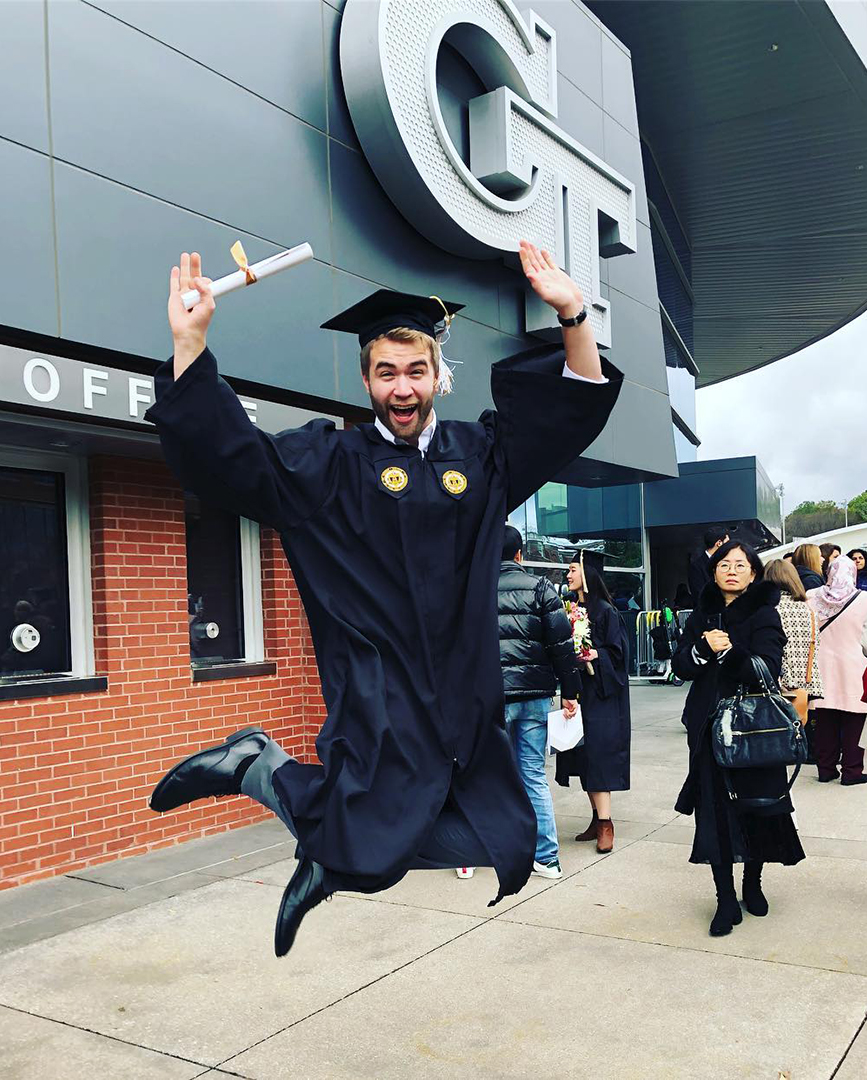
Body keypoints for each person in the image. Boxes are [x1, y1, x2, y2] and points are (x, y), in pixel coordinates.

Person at [144, 243, 622, 955]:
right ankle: (276, 787)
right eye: (386, 372)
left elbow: (571, 412)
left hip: (462, 698)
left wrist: (571, 314)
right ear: (366, 379)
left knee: (508, 844)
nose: (402, 388)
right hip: (379, 693)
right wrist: (190, 343)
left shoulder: (481, 457)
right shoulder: (330, 463)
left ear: (438, 377)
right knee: (372, 842)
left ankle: (294, 814)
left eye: (416, 371)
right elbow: (231, 459)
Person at [672, 540, 804, 937]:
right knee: (714, 812)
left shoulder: (765, 614)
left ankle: (753, 881)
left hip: (754, 729)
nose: (731, 570)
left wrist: (727, 652)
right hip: (710, 727)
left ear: (753, 573)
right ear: (714, 572)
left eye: (740, 564)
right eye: (724, 564)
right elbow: (681, 665)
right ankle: (724, 898)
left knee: (757, 807)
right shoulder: (701, 616)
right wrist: (700, 647)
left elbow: (768, 666)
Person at [489, 524, 579, 880]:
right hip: (537, 696)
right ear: (520, 554)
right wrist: (570, 693)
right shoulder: (541, 588)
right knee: (532, 775)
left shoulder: (476, 589)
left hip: (494, 697)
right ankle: (547, 857)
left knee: (490, 774)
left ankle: (494, 850)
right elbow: (562, 646)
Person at [555, 551, 630, 854]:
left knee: (598, 756)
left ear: (587, 573)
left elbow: (619, 655)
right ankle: (595, 818)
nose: (567, 575)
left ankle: (606, 824)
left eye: (572, 569)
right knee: (583, 756)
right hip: (579, 691)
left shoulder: (605, 611)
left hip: (602, 694)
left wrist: (595, 654)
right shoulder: (570, 609)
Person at [806, 555, 867, 784]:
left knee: (824, 720)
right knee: (854, 721)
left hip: (821, 666)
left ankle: (826, 770)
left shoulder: (812, 596)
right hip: (855, 666)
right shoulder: (864, 599)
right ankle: (852, 771)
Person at [763, 559, 824, 728]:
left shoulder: (770, 608)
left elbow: (774, 647)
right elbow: (815, 645)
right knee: (798, 733)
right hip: (806, 683)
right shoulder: (808, 609)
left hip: (778, 682)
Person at [687, 527, 729, 607]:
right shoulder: (696, 567)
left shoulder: (726, 565)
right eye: (727, 543)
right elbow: (699, 596)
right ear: (719, 543)